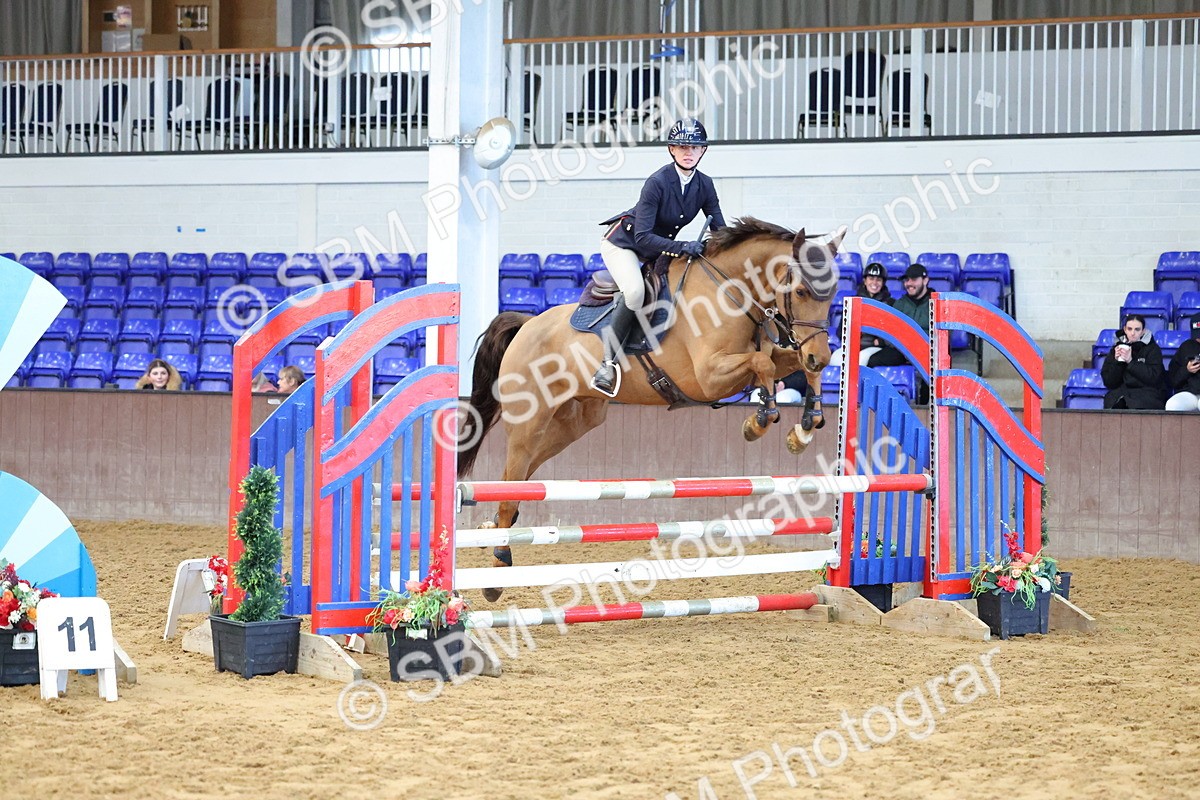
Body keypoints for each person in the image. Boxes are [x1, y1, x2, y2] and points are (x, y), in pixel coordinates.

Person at [590, 117, 726, 397]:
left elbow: (720, 231)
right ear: (671, 150)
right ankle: (606, 364)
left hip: (660, 247)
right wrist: (682, 247)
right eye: (681, 146)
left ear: (703, 151)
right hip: (625, 244)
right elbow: (643, 237)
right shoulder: (657, 182)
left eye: (695, 147)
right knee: (636, 292)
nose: (688, 152)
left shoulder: (705, 185)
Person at [867, 263, 929, 368]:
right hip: (901, 351)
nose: (909, 283)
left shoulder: (937, 303)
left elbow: (943, 336)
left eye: (913, 279)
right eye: (907, 280)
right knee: (874, 360)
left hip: (927, 352)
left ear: (925, 280)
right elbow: (888, 332)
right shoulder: (899, 304)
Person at [1101, 314, 1166, 410]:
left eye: (1137, 329)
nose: (1132, 333)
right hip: (1122, 393)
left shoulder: (1153, 349)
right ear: (1125, 329)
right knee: (1112, 402)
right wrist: (1117, 362)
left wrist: (1130, 362)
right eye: (1130, 329)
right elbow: (1109, 382)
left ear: (1143, 331)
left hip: (1147, 395)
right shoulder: (1116, 348)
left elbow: (1154, 378)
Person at [1164, 312, 1200, 412]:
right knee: (1172, 405)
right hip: (1190, 393)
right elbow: (1173, 380)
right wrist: (1186, 370)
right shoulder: (1186, 346)